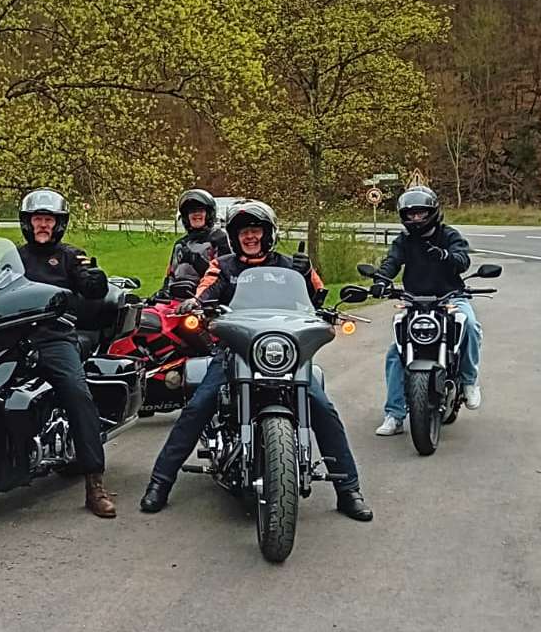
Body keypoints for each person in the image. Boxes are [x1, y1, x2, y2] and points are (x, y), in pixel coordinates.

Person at [139, 200, 373, 521]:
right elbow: (206, 290)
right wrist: (195, 302)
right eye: (243, 232)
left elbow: (317, 299)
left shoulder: (290, 266)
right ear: (234, 237)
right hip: (234, 350)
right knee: (199, 405)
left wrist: (309, 276)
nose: (250, 237)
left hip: (284, 352)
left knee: (323, 408)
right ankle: (160, 483)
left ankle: (349, 491)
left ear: (268, 233)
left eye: (256, 230)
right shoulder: (223, 265)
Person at [16, 188, 116, 518]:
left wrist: (94, 280)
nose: (43, 225)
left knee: (77, 393)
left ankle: (94, 483)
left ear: (59, 224)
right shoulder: (12, 258)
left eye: (49, 219)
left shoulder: (71, 257)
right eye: (38, 219)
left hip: (54, 338)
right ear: (27, 222)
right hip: (14, 338)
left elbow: (90, 285)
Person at [374, 186, 482, 436]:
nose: (415, 219)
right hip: (414, 300)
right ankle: (394, 415)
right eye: (410, 214)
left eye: (421, 213)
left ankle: (469, 382)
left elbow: (463, 259)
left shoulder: (449, 235)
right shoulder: (404, 240)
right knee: (395, 352)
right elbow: (392, 261)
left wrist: (445, 256)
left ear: (432, 212)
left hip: (450, 297)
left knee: (470, 326)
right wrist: (381, 280)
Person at [155, 188, 230, 298]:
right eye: (191, 211)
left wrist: (197, 261)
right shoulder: (180, 244)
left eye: (200, 210)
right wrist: (163, 292)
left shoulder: (219, 238)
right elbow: (170, 275)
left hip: (207, 299)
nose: (196, 214)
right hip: (177, 298)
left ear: (209, 213)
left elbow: (224, 275)